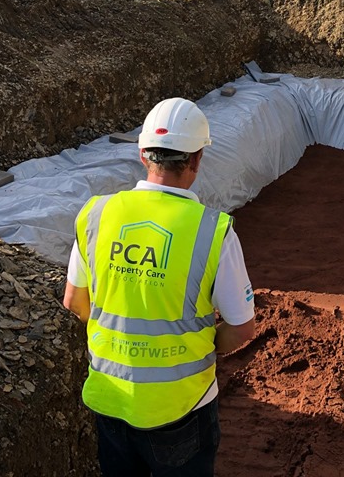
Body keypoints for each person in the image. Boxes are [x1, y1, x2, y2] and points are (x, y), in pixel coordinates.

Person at [63, 97, 256, 477]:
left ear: (141, 154)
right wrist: (197, 349)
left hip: (110, 399)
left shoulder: (96, 214)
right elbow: (242, 327)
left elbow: (74, 300)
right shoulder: (212, 231)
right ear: (197, 160)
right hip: (182, 409)